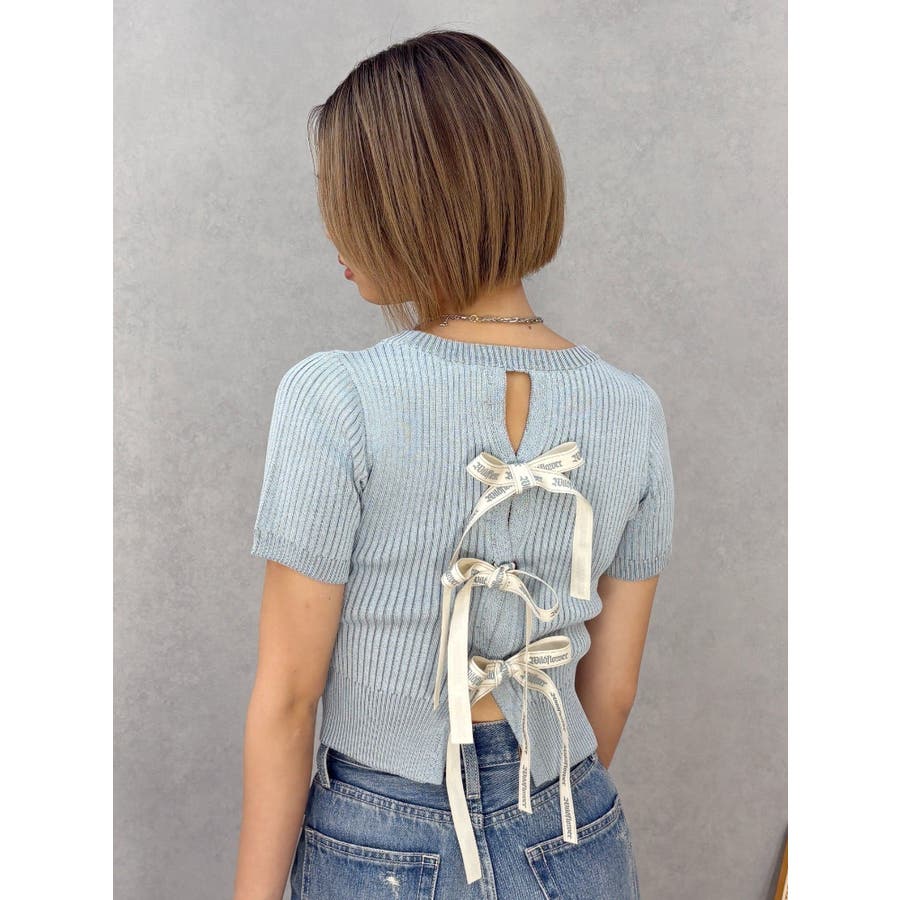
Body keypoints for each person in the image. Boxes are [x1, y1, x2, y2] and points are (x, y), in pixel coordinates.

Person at [233, 28, 675, 900]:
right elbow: (614, 690)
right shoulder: (634, 409)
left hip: (381, 846)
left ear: (399, 205)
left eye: (343, 199)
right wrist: (539, 811)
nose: (332, 231)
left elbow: (288, 698)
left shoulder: (337, 396)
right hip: (573, 826)